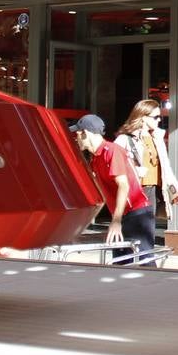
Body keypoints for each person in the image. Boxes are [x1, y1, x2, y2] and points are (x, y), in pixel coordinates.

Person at [69, 113, 157, 266]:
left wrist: (116, 221)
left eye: (77, 134)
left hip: (136, 214)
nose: (75, 139)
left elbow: (123, 185)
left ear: (85, 133)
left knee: (145, 265)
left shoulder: (111, 151)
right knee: (120, 265)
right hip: (123, 216)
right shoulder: (95, 158)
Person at [114, 99, 178, 226]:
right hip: (134, 190)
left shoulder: (157, 138)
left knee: (147, 231)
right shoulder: (125, 139)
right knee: (134, 231)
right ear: (143, 117)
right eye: (156, 117)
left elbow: (166, 168)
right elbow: (114, 164)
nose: (159, 120)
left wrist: (174, 191)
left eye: (160, 117)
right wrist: (134, 170)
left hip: (153, 190)